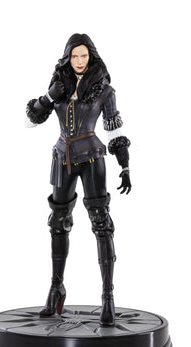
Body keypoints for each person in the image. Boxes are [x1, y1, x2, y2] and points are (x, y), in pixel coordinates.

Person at [25, 33, 131, 326]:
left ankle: (108, 297)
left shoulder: (104, 90)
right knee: (57, 222)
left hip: (92, 158)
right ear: (68, 57)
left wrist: (124, 165)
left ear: (91, 56)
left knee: (101, 223)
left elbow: (113, 129)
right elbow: (30, 121)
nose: (80, 61)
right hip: (62, 157)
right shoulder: (59, 85)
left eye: (84, 55)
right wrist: (49, 97)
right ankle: (56, 288)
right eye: (75, 56)